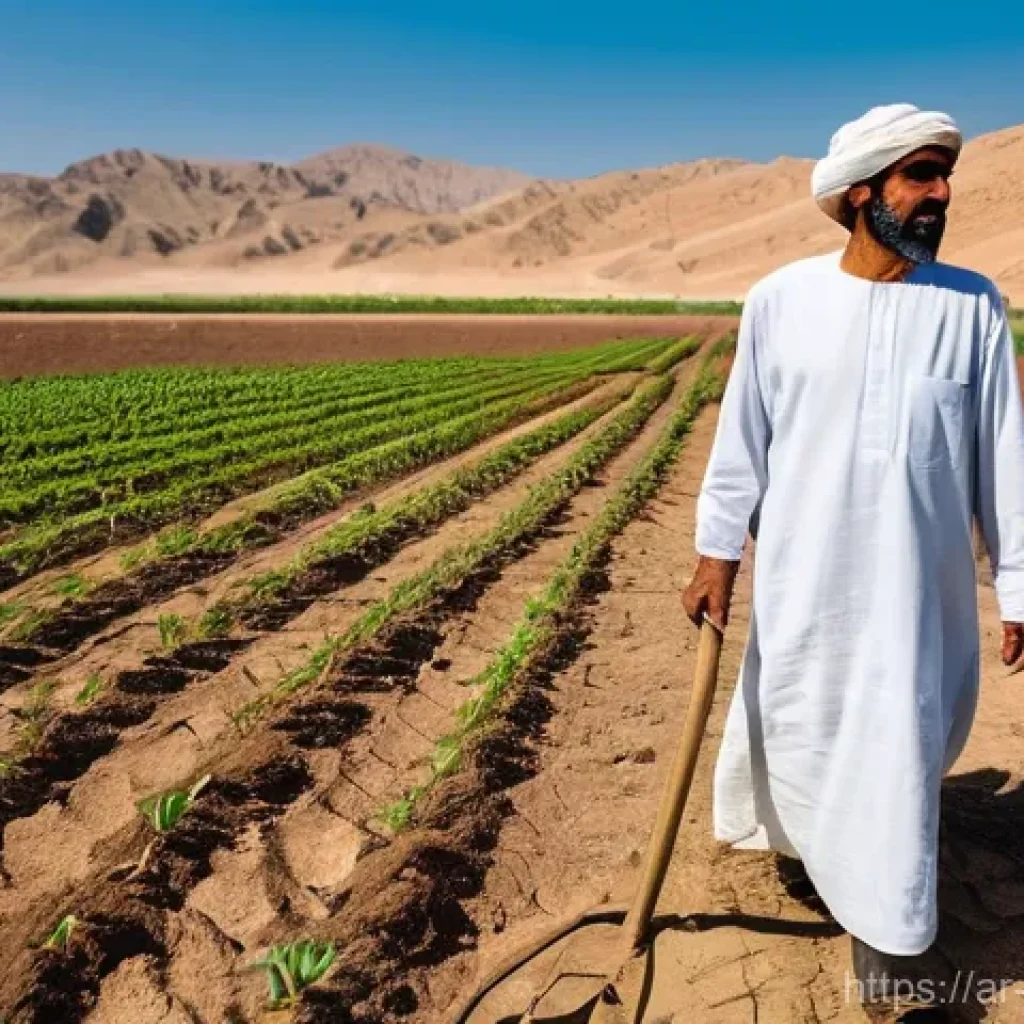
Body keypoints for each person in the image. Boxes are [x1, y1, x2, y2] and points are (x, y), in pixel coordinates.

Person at [682, 103, 1024, 1020]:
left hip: (920, 605)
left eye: (945, 176)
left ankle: (891, 954)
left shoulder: (973, 307)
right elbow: (740, 447)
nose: (941, 193)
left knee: (895, 763)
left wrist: (1019, 588)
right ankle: (822, 859)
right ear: (862, 191)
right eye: (921, 176)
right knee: (806, 731)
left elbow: (1006, 460)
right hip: (807, 591)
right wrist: (717, 552)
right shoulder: (780, 302)